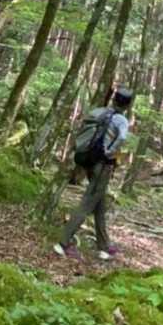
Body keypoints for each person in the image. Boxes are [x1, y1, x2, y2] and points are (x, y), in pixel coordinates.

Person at [54, 87, 133, 260]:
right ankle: (63, 243)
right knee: (87, 204)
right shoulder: (121, 120)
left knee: (99, 204)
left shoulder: (100, 112)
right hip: (103, 166)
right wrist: (109, 152)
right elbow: (121, 138)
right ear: (127, 105)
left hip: (90, 163)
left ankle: (104, 246)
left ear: (114, 100)